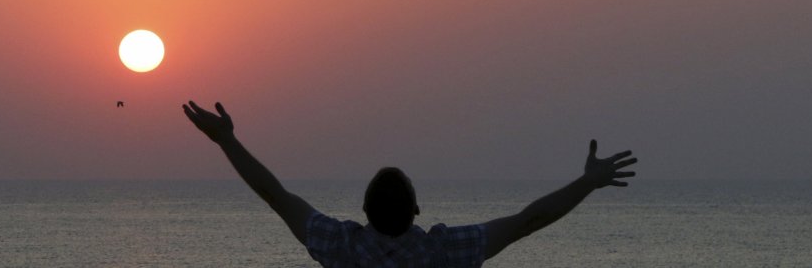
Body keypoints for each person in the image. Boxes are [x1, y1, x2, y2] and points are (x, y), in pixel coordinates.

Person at [182, 100, 638, 267]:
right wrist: (586, 183)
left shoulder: (341, 246)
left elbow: (274, 195)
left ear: (362, 213)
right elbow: (528, 221)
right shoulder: (444, 252)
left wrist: (227, 140)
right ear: (417, 211)